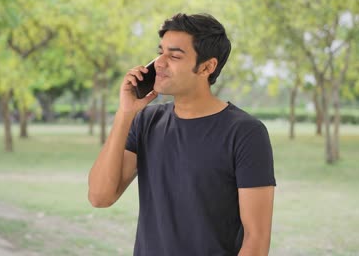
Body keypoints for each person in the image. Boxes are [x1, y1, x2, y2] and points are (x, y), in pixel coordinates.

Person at [88, 13, 276, 256]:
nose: (160, 63)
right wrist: (125, 114)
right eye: (160, 52)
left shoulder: (246, 133)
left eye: (174, 55)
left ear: (208, 67)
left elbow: (256, 239)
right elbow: (100, 197)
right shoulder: (146, 121)